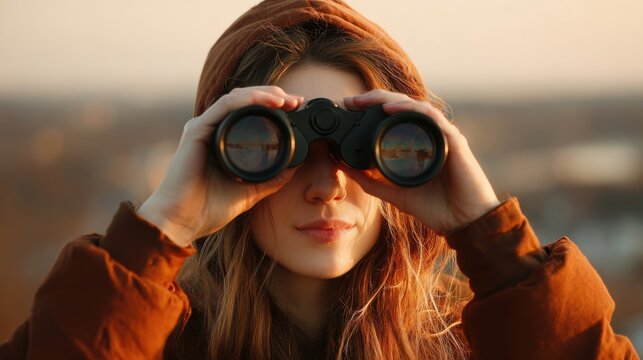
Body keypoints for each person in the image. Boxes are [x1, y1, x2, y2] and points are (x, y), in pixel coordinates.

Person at [0, 1, 638, 359]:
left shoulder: (467, 347)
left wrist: (490, 238)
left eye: (363, 152)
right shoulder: (148, 345)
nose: (328, 184)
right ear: (220, 154)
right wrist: (165, 226)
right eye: (277, 148)